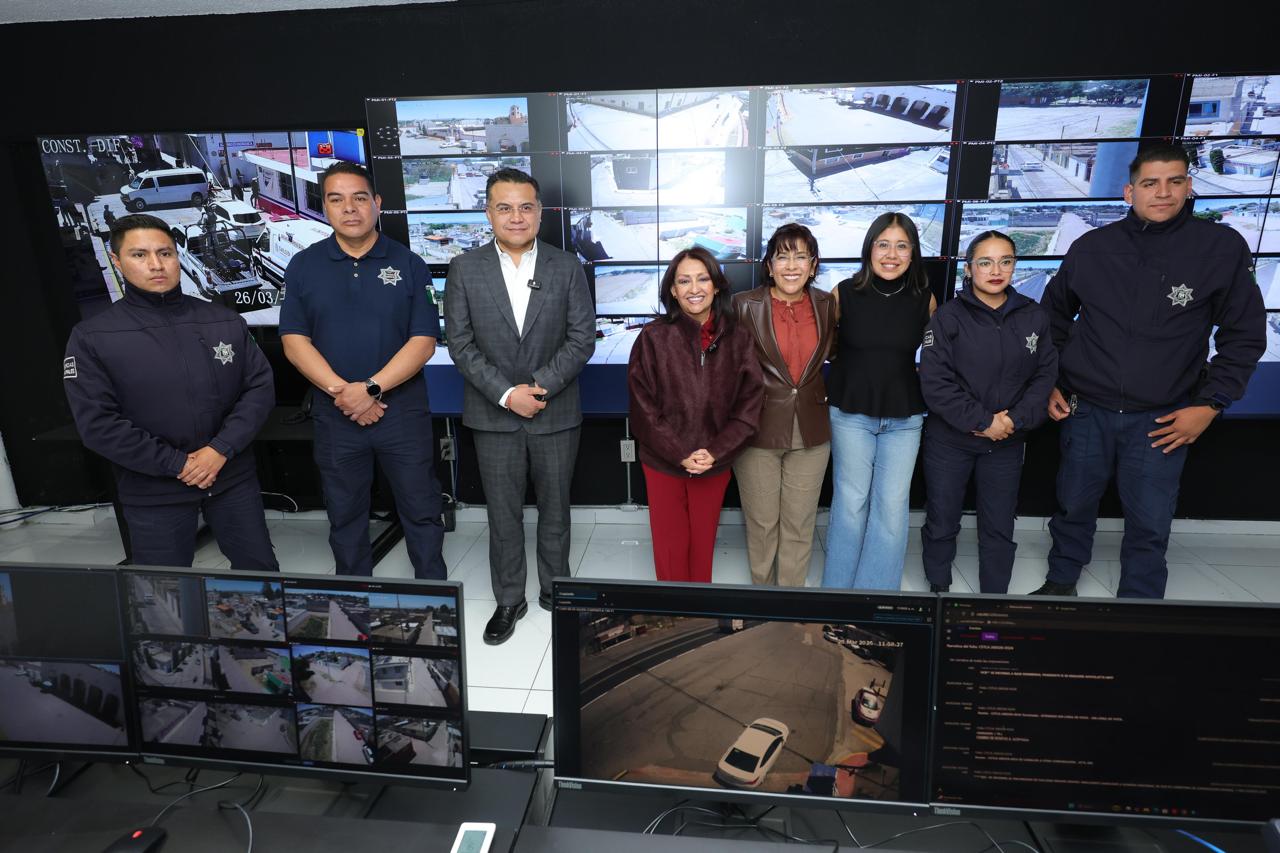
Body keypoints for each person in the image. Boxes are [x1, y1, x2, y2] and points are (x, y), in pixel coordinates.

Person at [1035, 145, 1265, 598]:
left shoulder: (1220, 249)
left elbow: (1244, 335)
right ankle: (1060, 584)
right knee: (1073, 505)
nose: (1163, 192)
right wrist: (1052, 382)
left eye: (1174, 181)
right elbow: (1051, 319)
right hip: (1086, 410)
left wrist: (1210, 404)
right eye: (1150, 183)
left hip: (1163, 417)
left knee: (1150, 519)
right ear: (1129, 192)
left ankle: (1139, 604)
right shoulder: (1092, 248)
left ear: (1189, 186)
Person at [63, 214, 277, 571]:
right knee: (164, 589)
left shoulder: (223, 321)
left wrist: (219, 450)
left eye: (165, 253)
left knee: (260, 574)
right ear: (117, 261)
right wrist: (176, 463)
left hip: (230, 477)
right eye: (139, 255)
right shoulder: (92, 337)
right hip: (153, 490)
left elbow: (259, 389)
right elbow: (98, 424)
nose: (156, 265)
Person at [444, 168, 594, 645]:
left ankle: (557, 591)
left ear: (540, 213)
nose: (516, 217)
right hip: (493, 415)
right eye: (504, 207)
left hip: (556, 413)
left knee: (556, 510)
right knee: (502, 515)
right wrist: (509, 395)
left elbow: (582, 338)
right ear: (488, 213)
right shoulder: (464, 268)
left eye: (525, 207)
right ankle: (510, 598)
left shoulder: (566, 266)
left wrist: (539, 387)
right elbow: (460, 344)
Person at [280, 161, 447, 580]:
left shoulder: (409, 263)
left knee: (422, 509)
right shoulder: (303, 265)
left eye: (359, 198)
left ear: (377, 203)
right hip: (335, 414)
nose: (349, 208)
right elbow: (294, 342)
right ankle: (355, 597)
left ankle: (434, 595)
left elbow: (423, 342)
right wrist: (345, 393)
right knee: (345, 513)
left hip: (401, 413)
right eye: (336, 199)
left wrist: (369, 389)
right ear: (325, 206)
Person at [919, 231, 1058, 594]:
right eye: (985, 262)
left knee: (999, 525)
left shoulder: (1034, 316)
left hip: (1007, 441)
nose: (996, 271)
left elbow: (1044, 378)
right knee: (942, 519)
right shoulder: (948, 318)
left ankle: (993, 597)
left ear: (1014, 266)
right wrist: (983, 421)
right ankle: (938, 589)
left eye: (1005, 261)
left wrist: (1010, 421)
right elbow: (936, 383)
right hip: (950, 441)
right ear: (969, 269)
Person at [628, 247, 763, 583]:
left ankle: (700, 611)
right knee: (670, 548)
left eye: (703, 279)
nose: (694, 288)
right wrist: (679, 452)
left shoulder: (739, 339)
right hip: (663, 462)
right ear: (673, 290)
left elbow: (749, 407)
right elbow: (643, 408)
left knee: (702, 547)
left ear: (716, 285)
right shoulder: (652, 337)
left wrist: (714, 452)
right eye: (684, 281)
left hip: (713, 462)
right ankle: (672, 611)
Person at [823, 213, 936, 590]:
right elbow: (828, 347)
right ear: (869, 248)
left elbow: (936, 358)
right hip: (850, 412)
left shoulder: (925, 299)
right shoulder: (843, 292)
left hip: (904, 418)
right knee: (851, 503)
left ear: (913, 252)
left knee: (891, 507)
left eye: (902, 246)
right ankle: (838, 595)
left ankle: (876, 598)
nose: (892, 254)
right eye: (883, 244)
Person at [733, 224, 837, 586]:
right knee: (762, 525)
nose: (791, 266)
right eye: (782, 257)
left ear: (813, 264)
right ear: (769, 265)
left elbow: (837, 354)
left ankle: (790, 604)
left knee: (799, 524)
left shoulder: (827, 305)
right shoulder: (743, 305)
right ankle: (762, 601)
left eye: (801, 256)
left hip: (811, 429)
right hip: (757, 428)